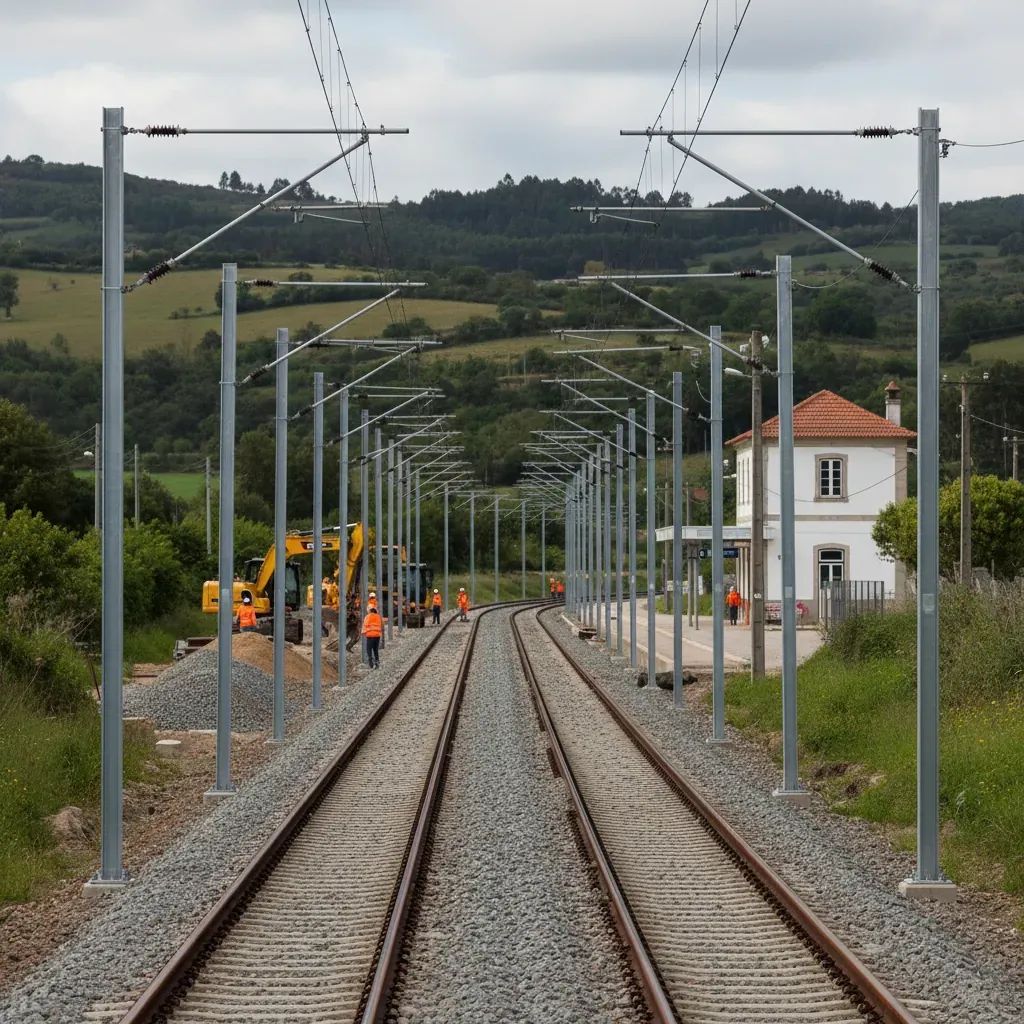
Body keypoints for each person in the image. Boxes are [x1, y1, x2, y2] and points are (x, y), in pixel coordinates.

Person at [362, 602, 383, 668]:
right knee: (375, 649)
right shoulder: (378, 616)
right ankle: (377, 662)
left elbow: (365, 625)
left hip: (370, 635)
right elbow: (382, 625)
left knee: (369, 649)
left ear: (369, 610)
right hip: (377, 636)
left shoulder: (367, 617)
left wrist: (363, 632)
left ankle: (371, 662)